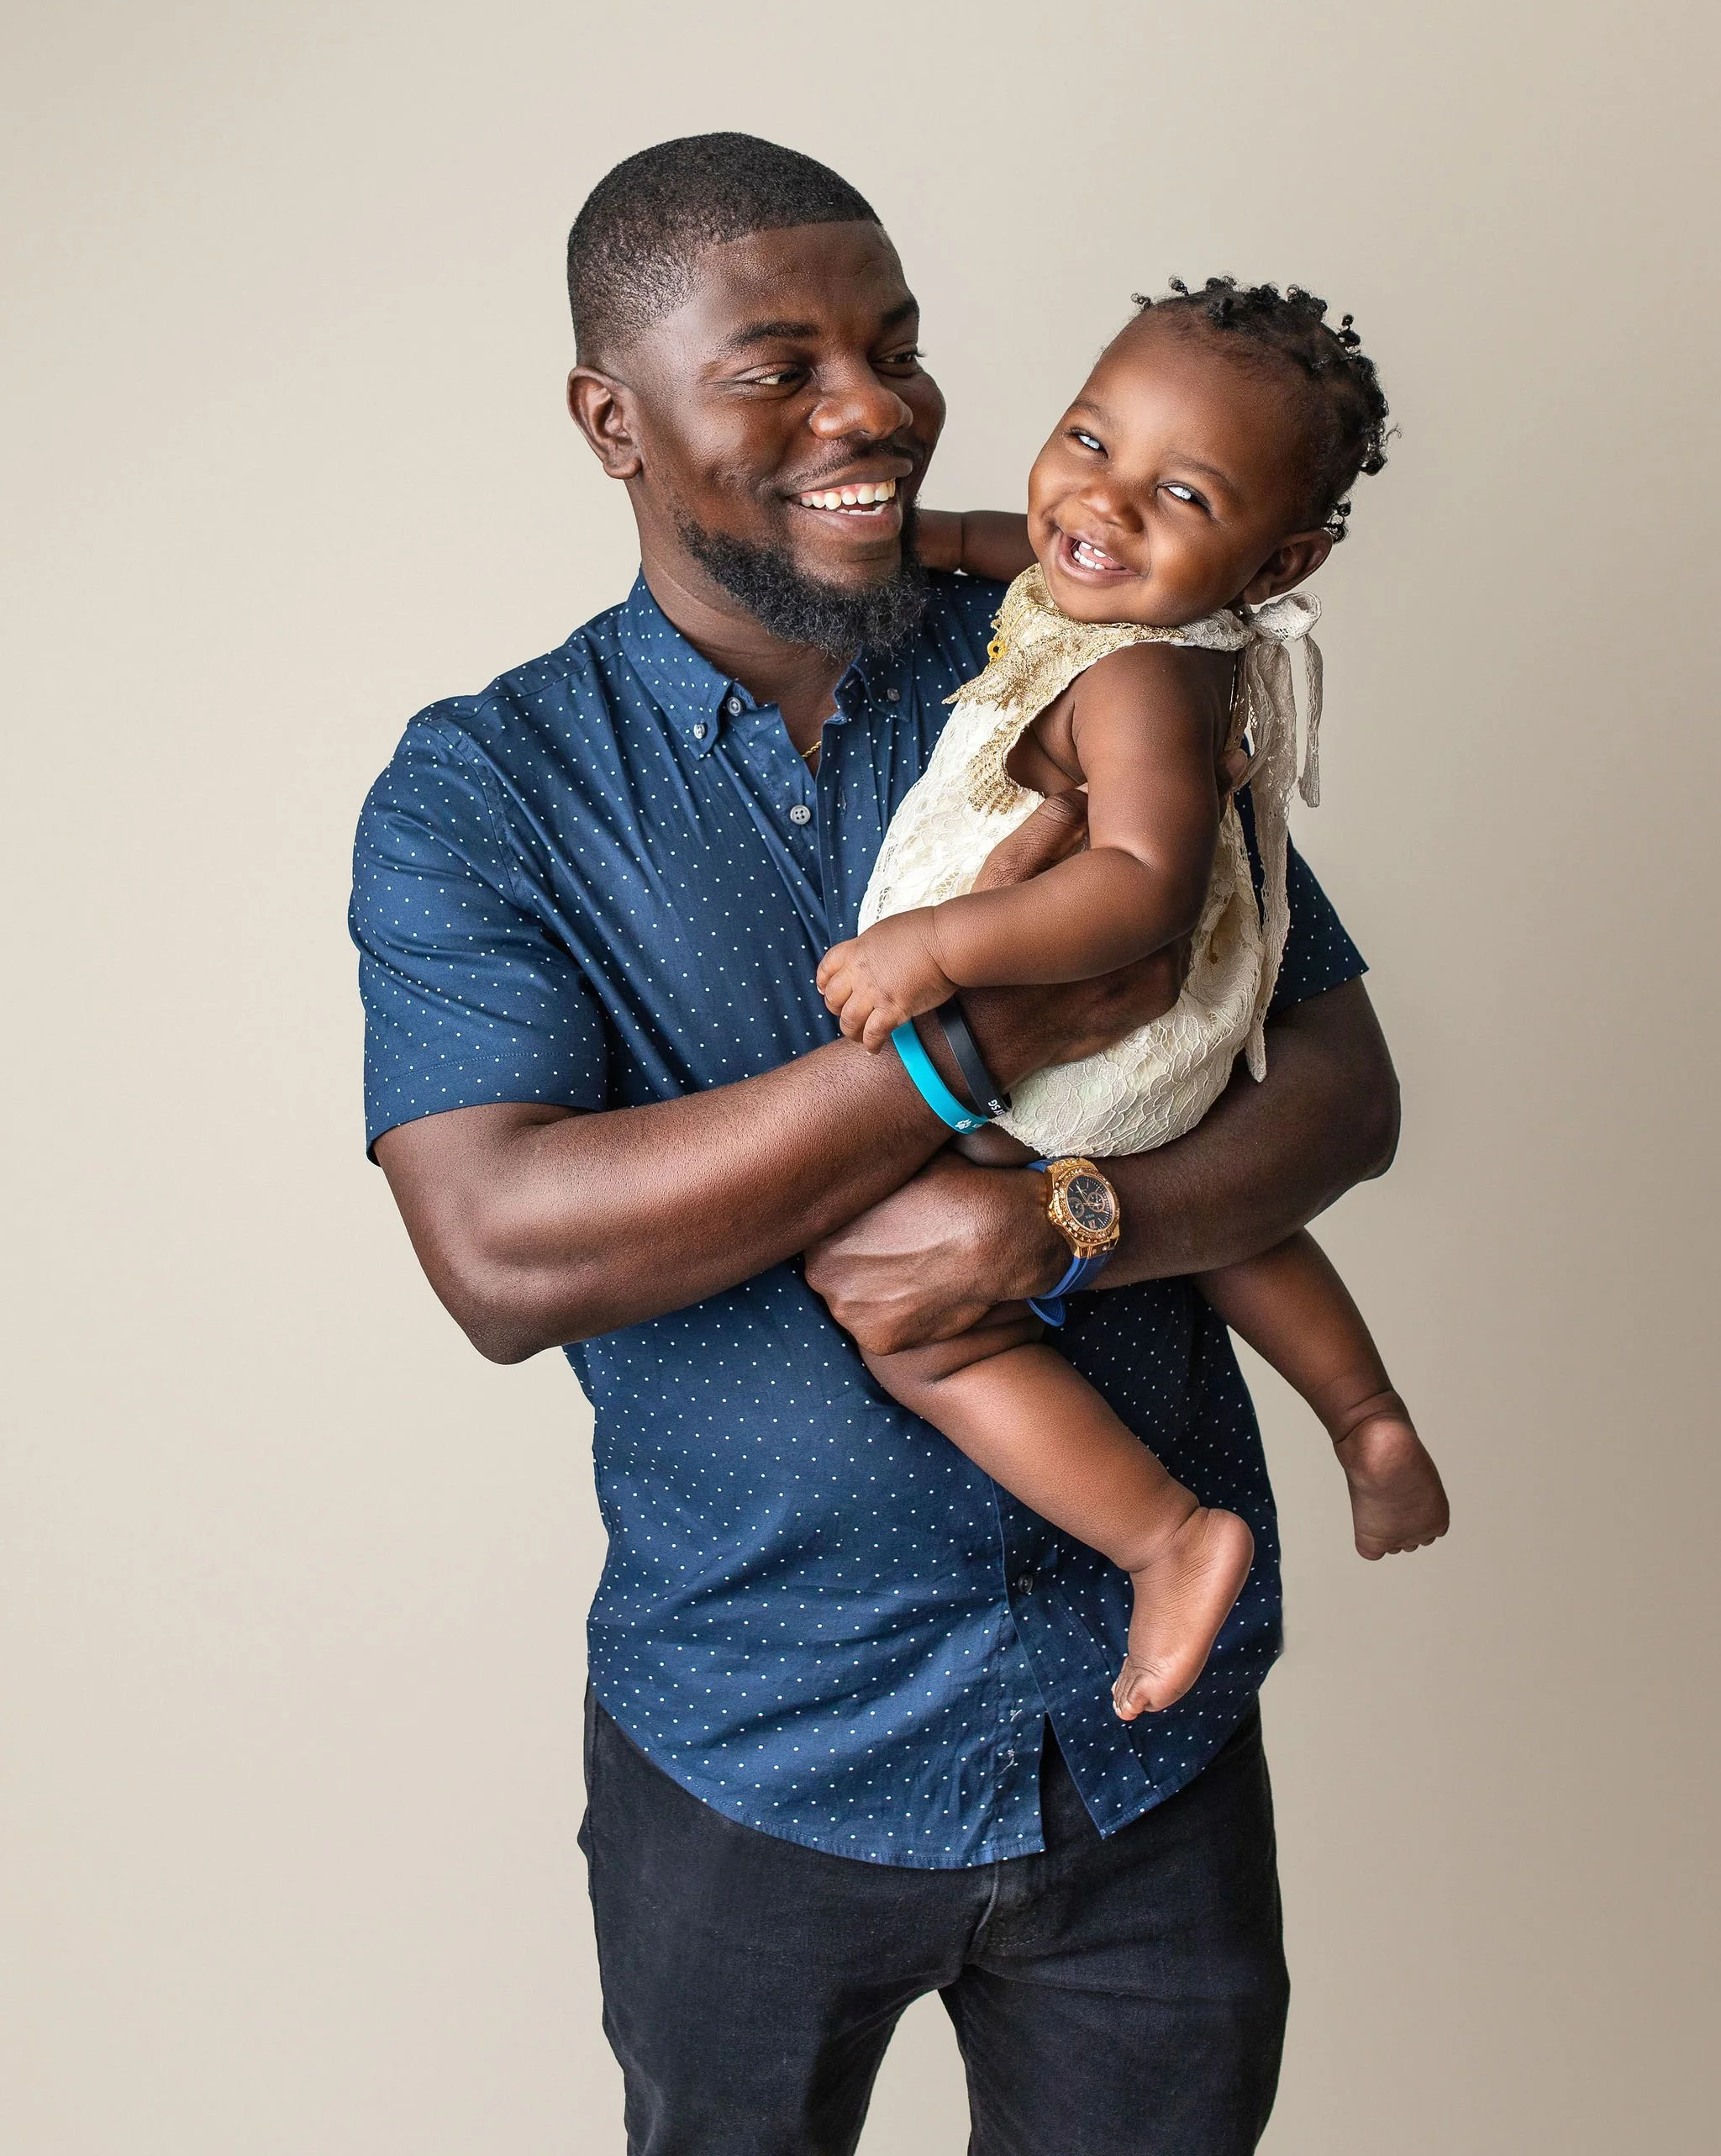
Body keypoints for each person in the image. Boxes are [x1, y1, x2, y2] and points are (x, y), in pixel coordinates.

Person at [351, 134, 1403, 2156]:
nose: (875, 410)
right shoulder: (485, 795)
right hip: (759, 1750)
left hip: (1143, 1745)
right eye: (780, 367)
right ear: (614, 420)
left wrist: (1078, 1215)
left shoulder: (1083, 658)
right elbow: (502, 1253)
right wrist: (966, 1054)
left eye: (899, 348)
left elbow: (1338, 1089)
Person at [814, 282, 1448, 1721]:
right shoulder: (1086, 582)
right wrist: (876, 534)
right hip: (1153, 1072)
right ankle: (1366, 1413)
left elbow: (1144, 887)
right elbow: (988, 540)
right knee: (1222, 1219)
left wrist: (941, 947)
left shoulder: (1148, 676)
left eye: (1180, 491)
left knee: (920, 1312)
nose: (1100, 502)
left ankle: (1165, 1538)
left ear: (1278, 558)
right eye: (1087, 440)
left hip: (1087, 1026)